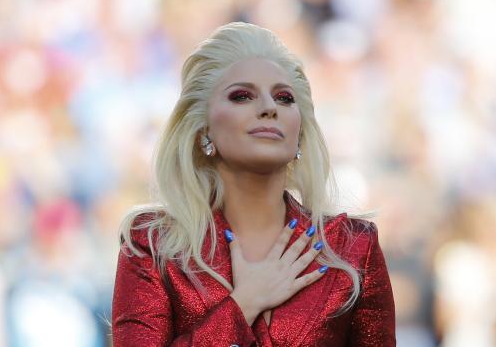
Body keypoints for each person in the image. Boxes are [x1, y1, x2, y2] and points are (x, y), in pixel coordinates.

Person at [111, 22, 395, 346]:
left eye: (284, 98)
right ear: (203, 129)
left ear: (299, 132)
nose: (269, 108)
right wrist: (242, 306)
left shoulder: (351, 247)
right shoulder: (154, 244)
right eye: (242, 95)